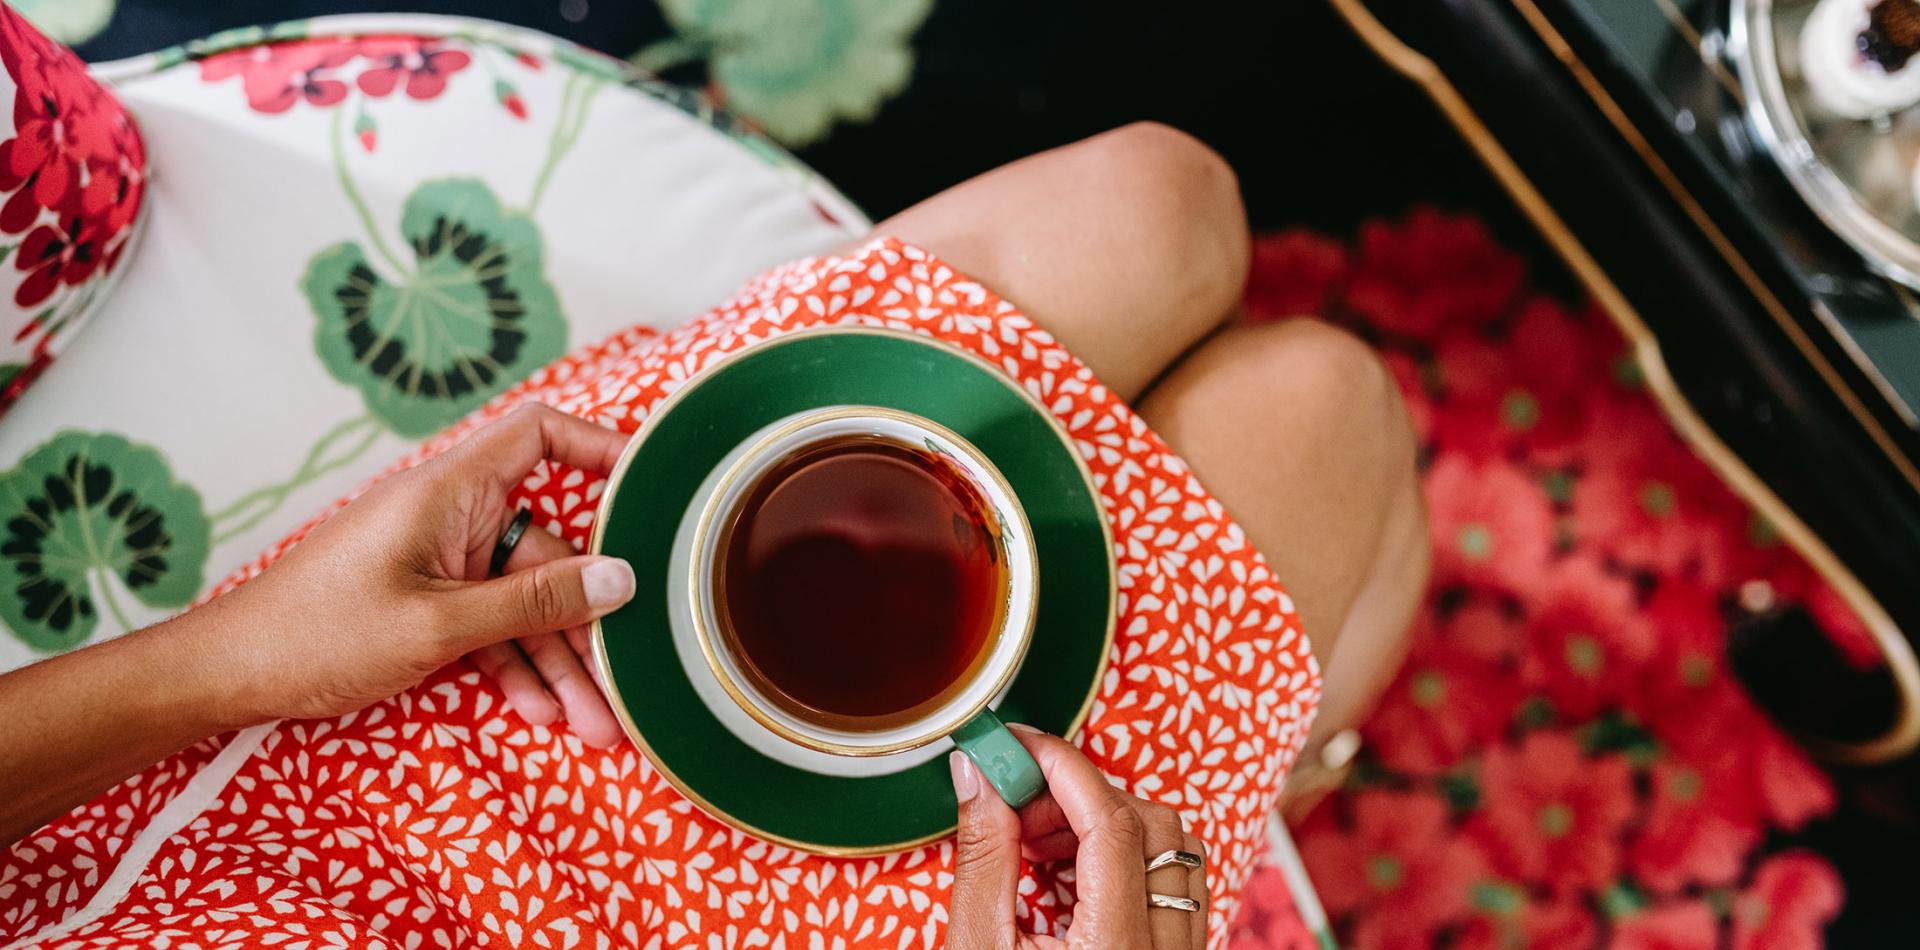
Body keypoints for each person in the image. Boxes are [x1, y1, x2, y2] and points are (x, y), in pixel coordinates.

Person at [0, 123, 1425, 948]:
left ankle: (1298, 743)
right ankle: (1309, 757)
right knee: (1326, 405)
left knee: (1156, 201)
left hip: (328, 763)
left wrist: (234, 657)